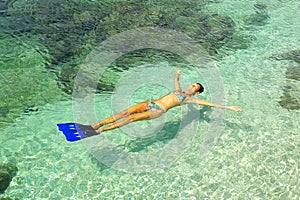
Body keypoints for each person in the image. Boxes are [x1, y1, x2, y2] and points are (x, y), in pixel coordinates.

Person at [57, 68, 242, 142]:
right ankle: (95, 125)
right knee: (124, 112)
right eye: (193, 83)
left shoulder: (190, 99)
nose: (192, 86)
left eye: (195, 86)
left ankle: (99, 131)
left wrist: (229, 108)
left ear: (196, 92)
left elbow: (209, 104)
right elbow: (176, 80)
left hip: (158, 111)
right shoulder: (179, 92)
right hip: (150, 103)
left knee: (130, 119)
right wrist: (177, 74)